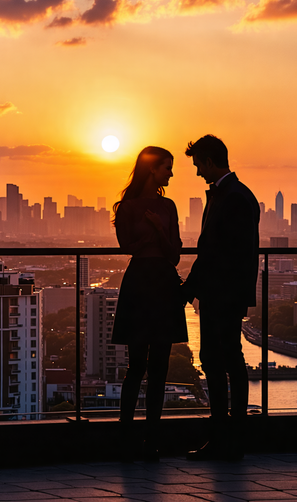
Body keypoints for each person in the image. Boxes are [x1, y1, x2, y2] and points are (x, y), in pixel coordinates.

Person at [183, 134, 260, 461]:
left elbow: (226, 254)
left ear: (210, 161)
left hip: (223, 297)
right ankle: (227, 438)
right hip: (220, 296)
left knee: (224, 361)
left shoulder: (233, 198)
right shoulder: (230, 195)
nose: (198, 172)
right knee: (220, 361)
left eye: (199, 164)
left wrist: (192, 289)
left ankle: (228, 439)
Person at [112, 146, 188, 462]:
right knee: (137, 367)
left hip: (162, 281)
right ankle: (127, 438)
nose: (171, 173)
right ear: (152, 170)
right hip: (141, 283)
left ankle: (150, 440)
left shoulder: (168, 207)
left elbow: (174, 255)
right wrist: (151, 235)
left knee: (159, 368)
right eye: (167, 167)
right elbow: (126, 246)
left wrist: (157, 229)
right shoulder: (126, 208)